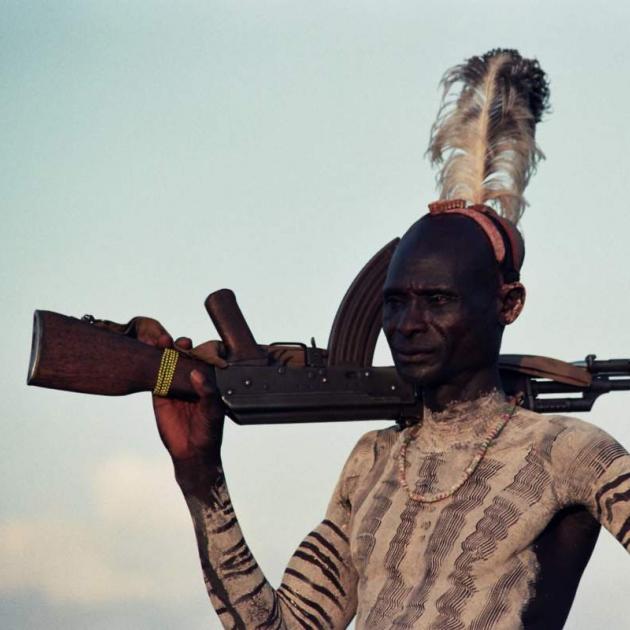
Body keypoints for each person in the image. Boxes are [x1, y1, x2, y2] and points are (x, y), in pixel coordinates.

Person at [138, 50, 630, 629]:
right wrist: (200, 476)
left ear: (507, 305)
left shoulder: (569, 452)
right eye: (395, 302)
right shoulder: (373, 461)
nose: (407, 324)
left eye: (438, 301)